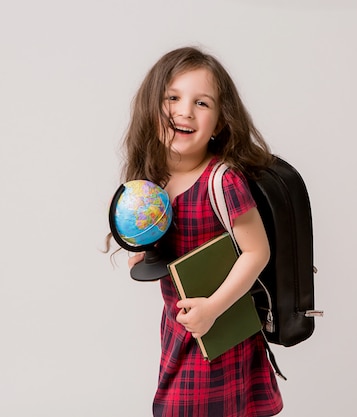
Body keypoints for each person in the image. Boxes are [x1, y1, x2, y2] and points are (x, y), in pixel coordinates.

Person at [121, 46, 283, 417]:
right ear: (152, 107)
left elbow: (257, 252)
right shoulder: (155, 181)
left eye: (202, 103)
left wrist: (212, 308)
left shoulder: (222, 181)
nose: (184, 111)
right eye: (173, 97)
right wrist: (143, 248)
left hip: (220, 329)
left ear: (221, 122)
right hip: (181, 328)